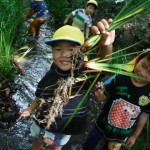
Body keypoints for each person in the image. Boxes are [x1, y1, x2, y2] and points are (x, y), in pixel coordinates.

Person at [19, 19, 115, 150]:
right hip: (43, 123)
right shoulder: (50, 75)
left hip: (64, 128)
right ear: (52, 51)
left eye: (71, 50)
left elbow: (103, 62)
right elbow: (39, 97)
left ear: (82, 52)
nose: (64, 54)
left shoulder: (84, 74)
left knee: (56, 147)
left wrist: (106, 45)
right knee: (37, 143)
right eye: (58, 49)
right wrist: (29, 110)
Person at [83, 50, 150, 150]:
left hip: (120, 135)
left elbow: (144, 115)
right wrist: (99, 94)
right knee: (88, 145)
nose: (143, 73)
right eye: (143, 65)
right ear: (138, 60)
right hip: (102, 124)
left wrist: (134, 136)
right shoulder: (120, 78)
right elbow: (102, 98)